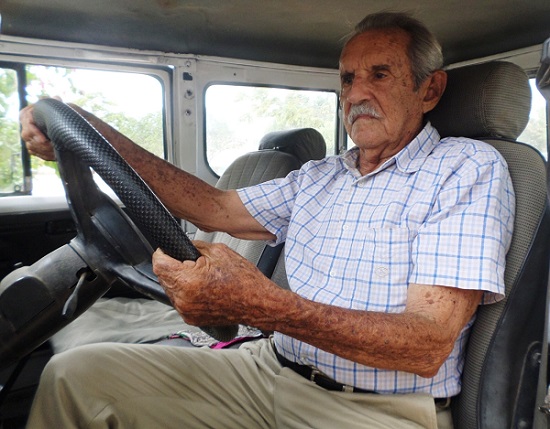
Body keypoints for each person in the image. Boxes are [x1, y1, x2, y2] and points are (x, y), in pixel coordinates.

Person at [20, 11, 514, 429]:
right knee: (75, 375)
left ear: (430, 90)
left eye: (379, 74)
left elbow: (426, 345)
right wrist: (87, 130)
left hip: (374, 410)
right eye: (346, 79)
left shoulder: (465, 168)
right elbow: (215, 208)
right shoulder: (322, 175)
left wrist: (261, 304)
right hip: (267, 370)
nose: (356, 94)